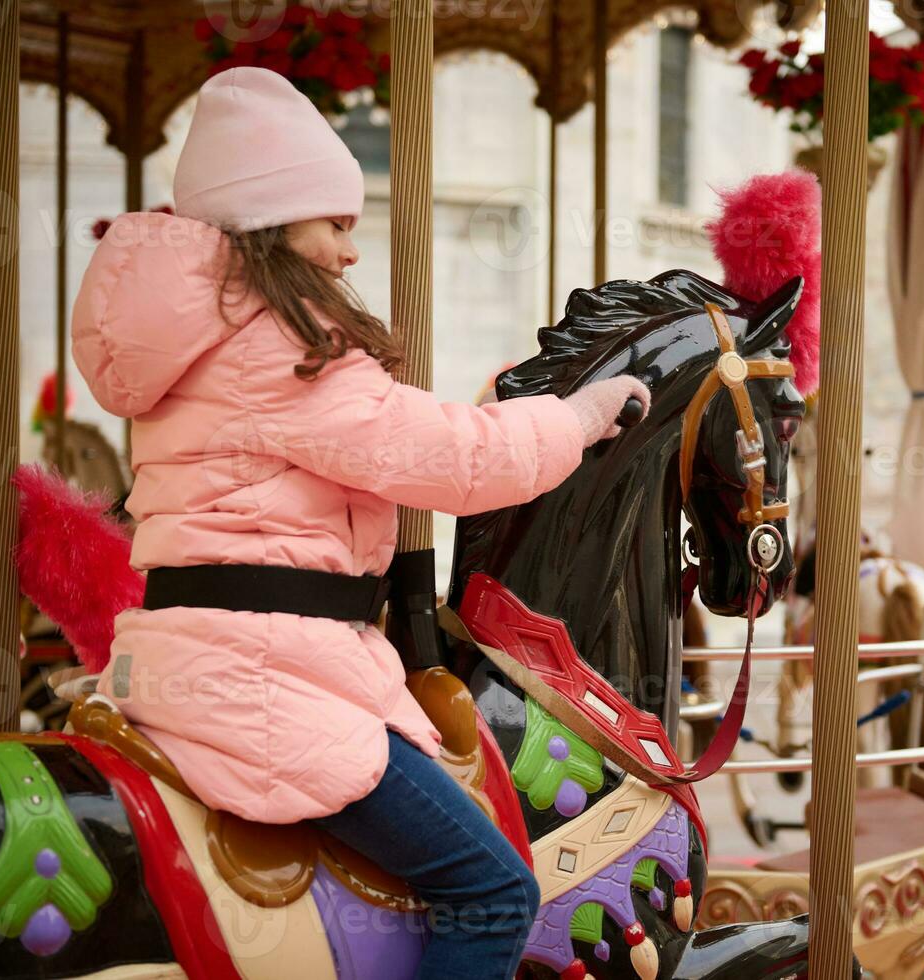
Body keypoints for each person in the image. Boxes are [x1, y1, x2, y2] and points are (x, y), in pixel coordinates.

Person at [71, 67, 649, 979]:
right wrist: (574, 419)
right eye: (335, 223)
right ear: (274, 222)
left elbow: (384, 446)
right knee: (494, 889)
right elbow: (448, 462)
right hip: (267, 674)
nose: (349, 250)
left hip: (211, 653)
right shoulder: (276, 342)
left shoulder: (207, 337)